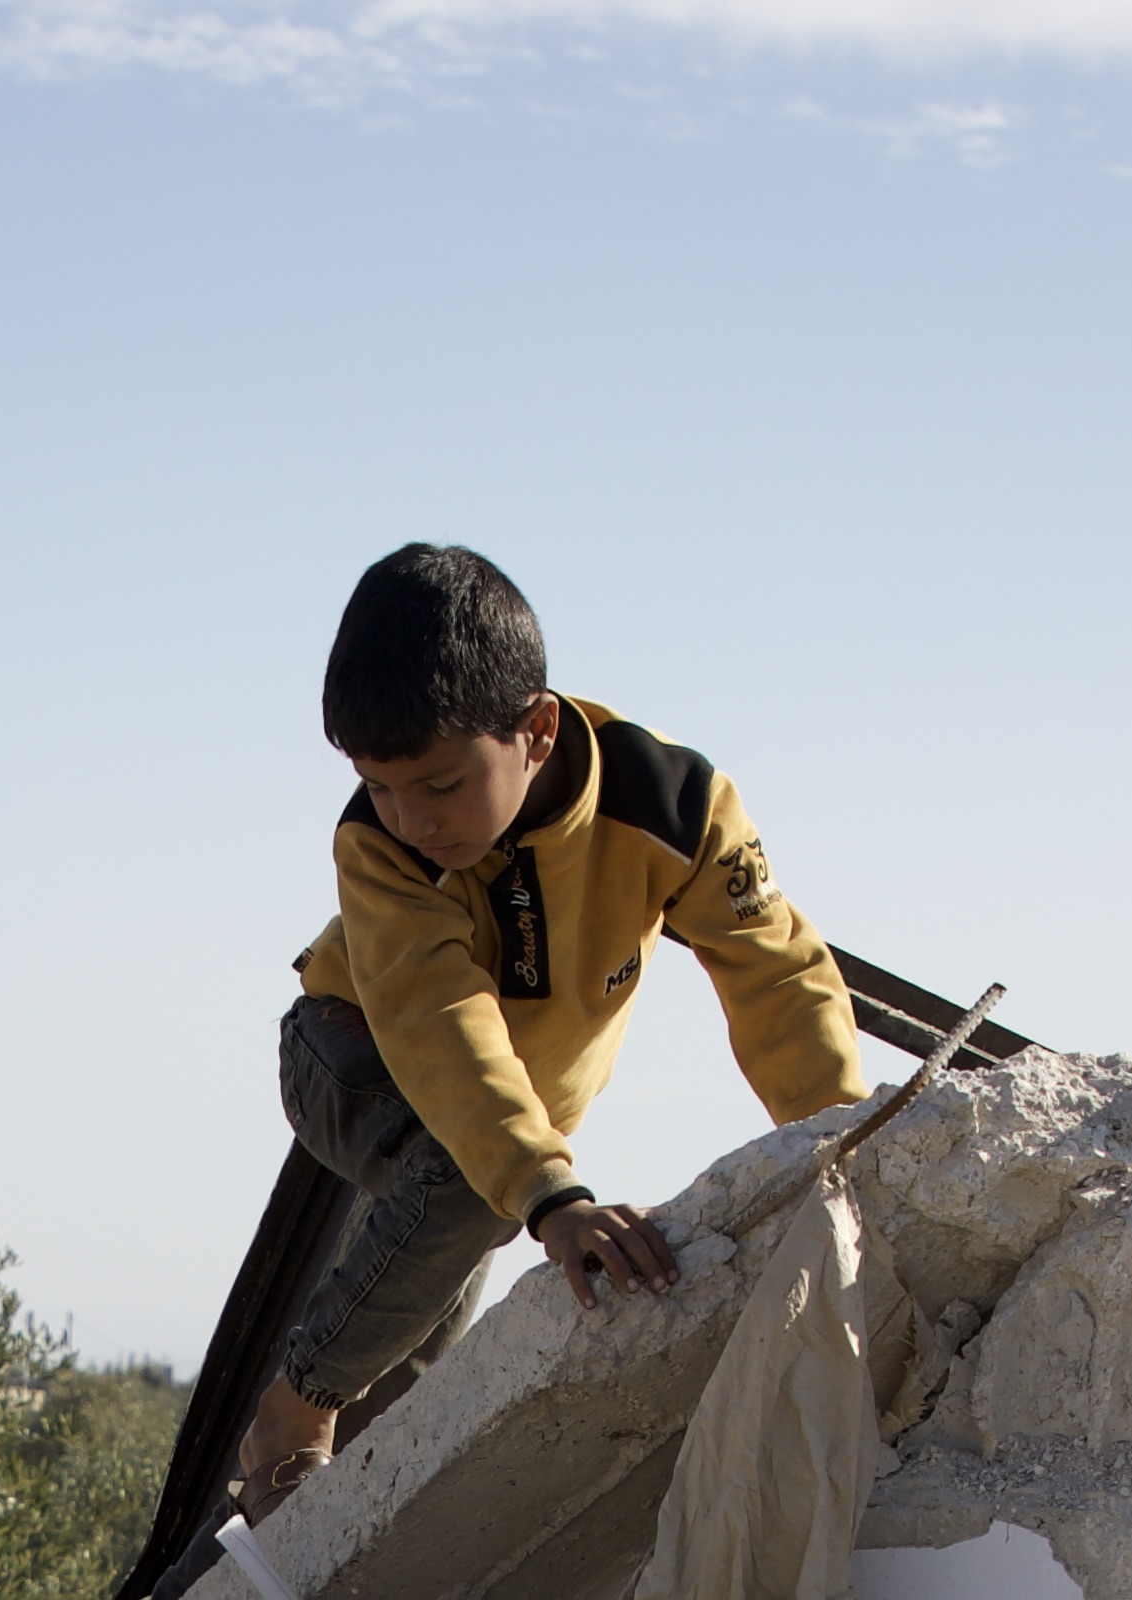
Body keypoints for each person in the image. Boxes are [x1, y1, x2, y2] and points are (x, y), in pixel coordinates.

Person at [237, 542, 868, 1504]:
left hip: (510, 1145)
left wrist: (846, 1147)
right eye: (380, 784)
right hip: (352, 1052)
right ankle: (294, 1402)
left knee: (409, 1401)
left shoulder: (677, 806)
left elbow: (779, 977)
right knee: (465, 1195)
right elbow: (440, 1023)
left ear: (534, 730)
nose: (410, 816)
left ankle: (216, 1589)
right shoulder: (382, 847)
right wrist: (552, 1194)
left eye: (440, 786)